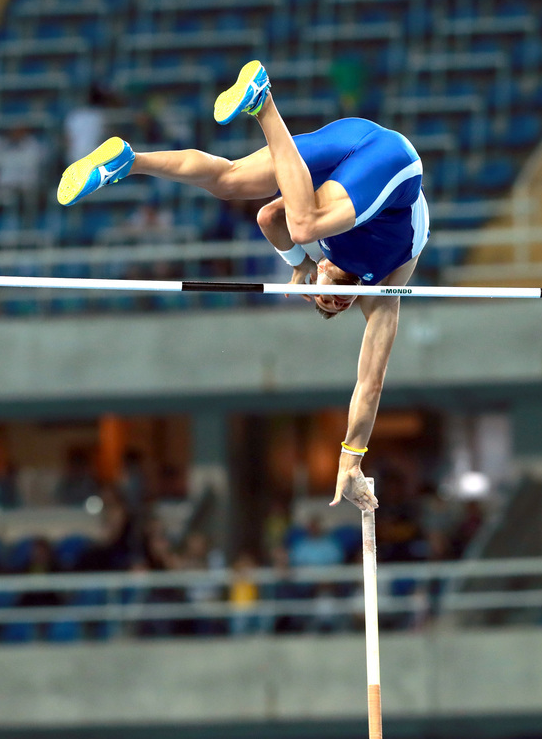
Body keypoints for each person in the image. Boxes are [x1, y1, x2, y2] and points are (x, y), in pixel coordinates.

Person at [57, 61, 430, 513]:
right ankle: (263, 101)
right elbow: (371, 384)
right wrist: (353, 456)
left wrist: (296, 264)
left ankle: (128, 162)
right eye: (336, 303)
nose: (331, 299)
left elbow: (264, 217)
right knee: (305, 221)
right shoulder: (382, 291)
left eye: (322, 302)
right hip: (396, 167)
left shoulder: (316, 255)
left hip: (352, 150)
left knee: (230, 181)